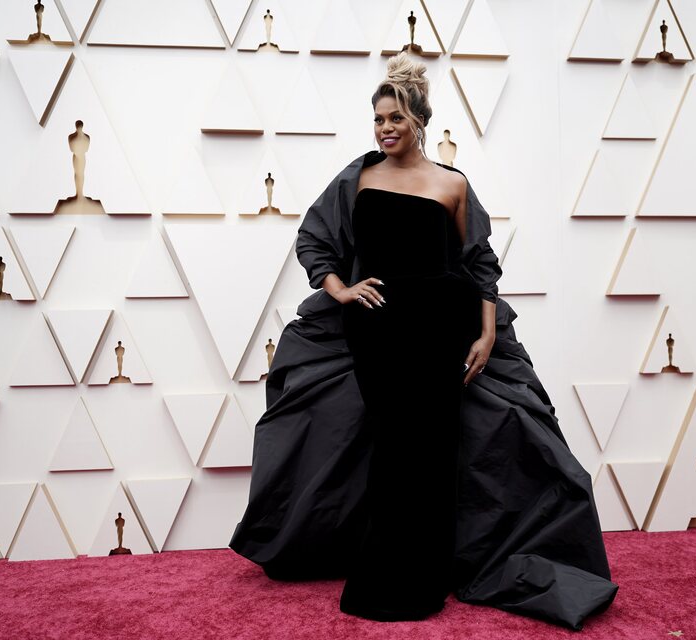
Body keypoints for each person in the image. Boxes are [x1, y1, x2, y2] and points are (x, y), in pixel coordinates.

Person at [229, 53, 618, 631]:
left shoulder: (453, 184)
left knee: (436, 452)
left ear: (418, 121)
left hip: (443, 330)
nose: (385, 129)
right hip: (378, 333)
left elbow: (480, 262)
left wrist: (486, 333)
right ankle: (385, 577)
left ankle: (431, 575)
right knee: (391, 449)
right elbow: (314, 240)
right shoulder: (358, 177)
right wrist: (340, 290)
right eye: (378, 120)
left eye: (394, 119)